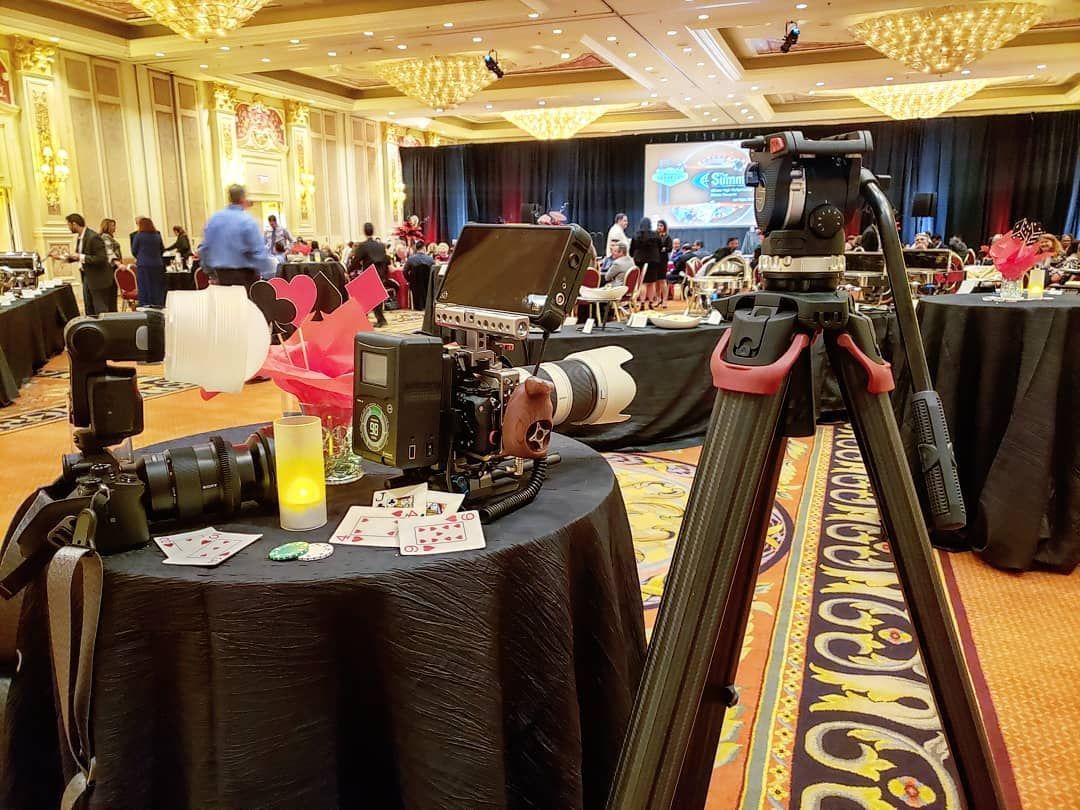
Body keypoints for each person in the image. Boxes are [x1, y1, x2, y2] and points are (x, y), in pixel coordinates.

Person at [200, 184, 272, 291]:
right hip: (244, 276)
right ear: (243, 198)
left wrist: (210, 272)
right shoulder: (248, 221)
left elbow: (205, 248)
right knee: (246, 306)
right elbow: (258, 252)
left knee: (225, 307)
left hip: (221, 275)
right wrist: (267, 273)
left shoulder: (214, 219)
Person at [65, 213, 115, 316]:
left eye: (69, 225)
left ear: (74, 224)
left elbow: (101, 258)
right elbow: (81, 256)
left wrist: (80, 257)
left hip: (98, 278)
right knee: (89, 307)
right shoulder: (80, 238)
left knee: (100, 309)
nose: (68, 227)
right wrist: (64, 257)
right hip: (87, 276)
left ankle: (105, 330)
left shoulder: (93, 237)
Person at [349, 222, 390, 327]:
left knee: (364, 297)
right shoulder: (381, 246)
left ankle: (365, 319)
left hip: (369, 273)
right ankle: (380, 319)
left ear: (364, 232)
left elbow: (356, 260)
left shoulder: (363, 246)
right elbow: (386, 260)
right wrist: (385, 274)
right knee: (376, 297)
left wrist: (348, 270)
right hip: (380, 273)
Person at [131, 217, 166, 307]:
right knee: (157, 287)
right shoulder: (157, 235)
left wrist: (140, 257)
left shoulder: (138, 236)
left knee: (145, 288)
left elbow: (134, 251)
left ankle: (146, 306)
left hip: (144, 265)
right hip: (157, 265)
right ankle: (158, 305)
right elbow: (162, 249)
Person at [630, 217, 663, 307]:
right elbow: (660, 247)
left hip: (640, 261)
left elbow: (631, 250)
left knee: (643, 283)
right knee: (651, 283)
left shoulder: (636, 235)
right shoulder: (656, 235)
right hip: (653, 261)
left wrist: (633, 256)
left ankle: (642, 302)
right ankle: (651, 303)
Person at [404, 242, 435, 312]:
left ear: (416, 248)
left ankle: (417, 306)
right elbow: (434, 272)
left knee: (416, 287)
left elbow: (405, 271)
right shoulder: (430, 259)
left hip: (415, 284)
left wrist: (410, 280)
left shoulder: (411, 259)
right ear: (424, 248)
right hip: (427, 284)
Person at [656, 219, 673, 306]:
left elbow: (670, 248)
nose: (659, 227)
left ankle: (665, 300)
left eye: (661, 225)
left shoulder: (667, 237)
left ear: (664, 227)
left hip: (663, 260)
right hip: (655, 260)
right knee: (656, 281)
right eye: (658, 225)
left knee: (662, 280)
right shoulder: (654, 236)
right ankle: (658, 298)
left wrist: (664, 249)